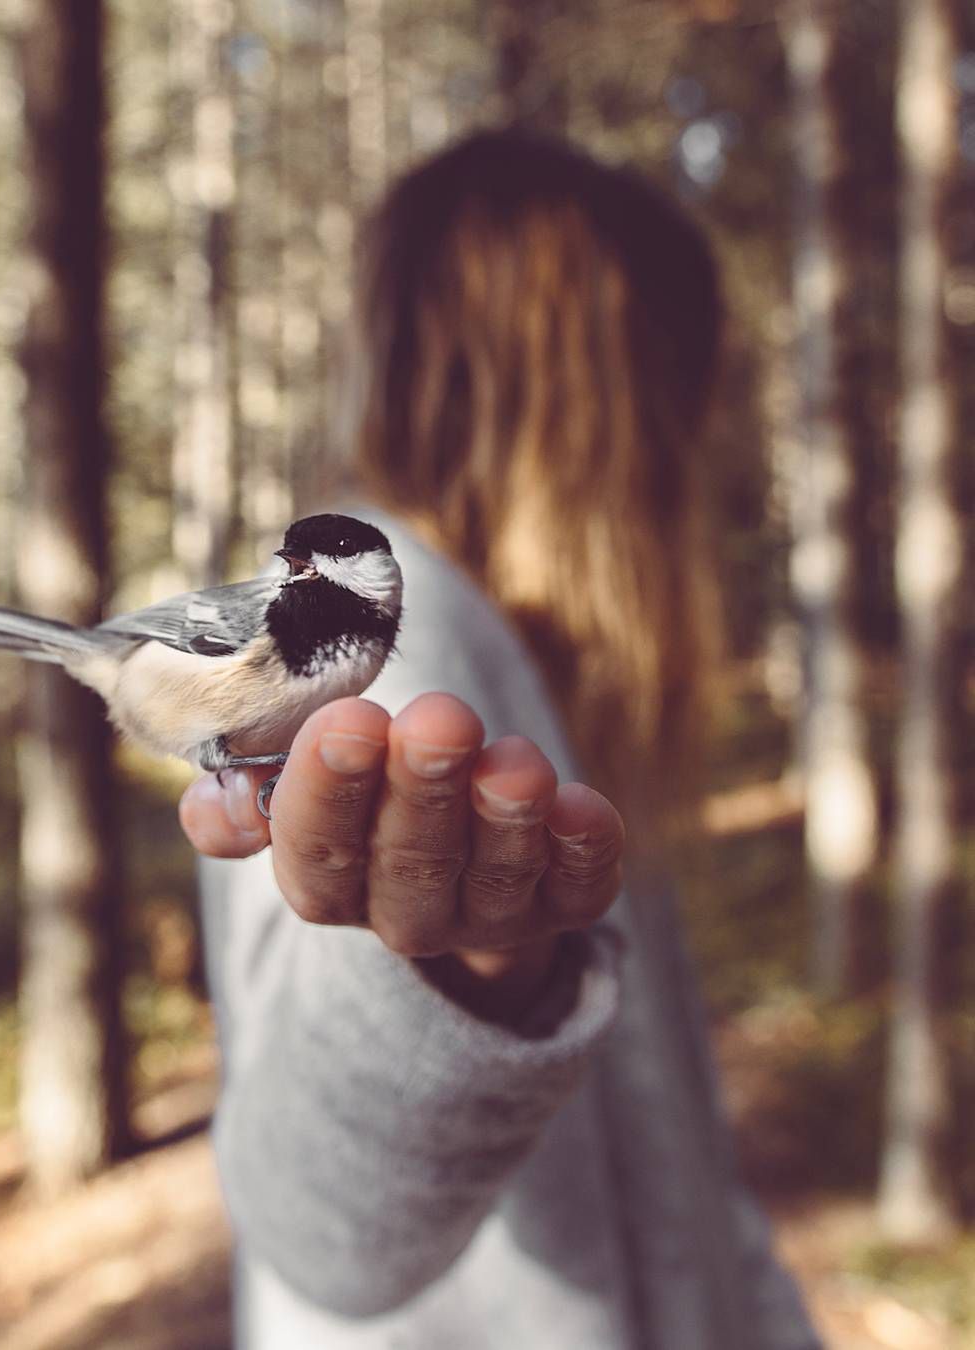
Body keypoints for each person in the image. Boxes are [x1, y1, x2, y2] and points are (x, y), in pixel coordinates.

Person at [180, 128, 822, 1349]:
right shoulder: (375, 639)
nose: (704, 473)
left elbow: (691, 1186)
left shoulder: (541, 687)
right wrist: (461, 980)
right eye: (683, 417)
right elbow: (317, 1231)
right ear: (605, 413)